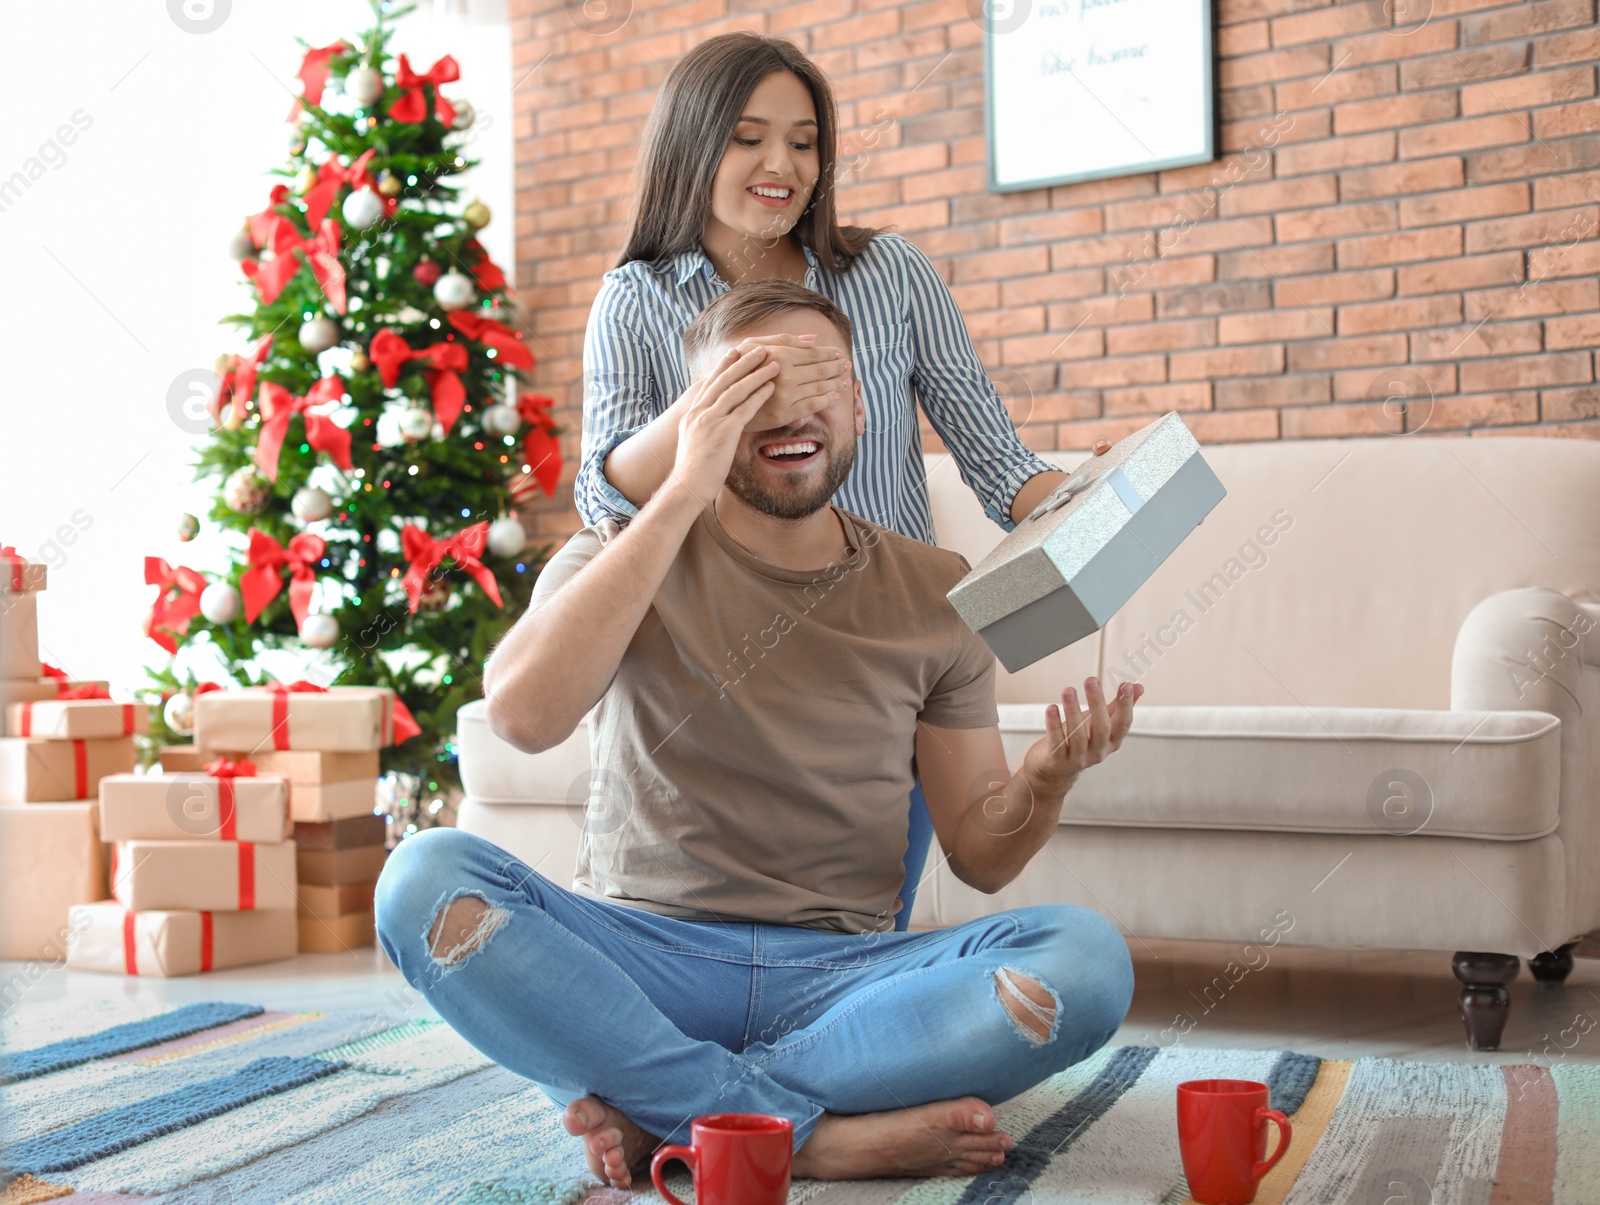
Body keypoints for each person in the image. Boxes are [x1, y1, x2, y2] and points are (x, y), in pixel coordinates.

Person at [375, 281, 1141, 1191]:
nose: (791, 410)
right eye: (751, 385)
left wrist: (1044, 781)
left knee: (1087, 960)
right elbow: (520, 715)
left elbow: (980, 851)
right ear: (697, 415)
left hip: (846, 977)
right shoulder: (624, 548)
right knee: (420, 880)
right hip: (642, 960)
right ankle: (812, 1137)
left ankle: (678, 1104)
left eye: (821, 381)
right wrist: (678, 489)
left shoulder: (937, 591)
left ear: (861, 404)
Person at [578, 31, 1110, 925]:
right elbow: (605, 503)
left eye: (804, 140)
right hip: (717, 661)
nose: (781, 163)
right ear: (691, 145)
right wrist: (714, 399)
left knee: (851, 931)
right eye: (748, 137)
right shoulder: (637, 299)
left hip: (877, 655)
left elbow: (999, 463)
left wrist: (1101, 499)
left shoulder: (889, 274)